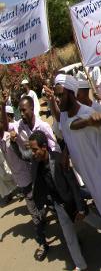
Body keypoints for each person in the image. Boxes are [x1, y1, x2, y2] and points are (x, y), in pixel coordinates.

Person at [51, 74, 101, 240]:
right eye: (56, 95)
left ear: (72, 94)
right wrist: (66, 152)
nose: (57, 99)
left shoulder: (90, 114)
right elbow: (67, 132)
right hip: (88, 175)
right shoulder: (66, 115)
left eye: (60, 95)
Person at [29, 130, 101, 271]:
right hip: (58, 206)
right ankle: (80, 265)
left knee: (91, 219)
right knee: (69, 238)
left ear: (44, 147)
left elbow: (73, 185)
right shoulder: (37, 164)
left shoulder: (60, 160)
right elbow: (25, 158)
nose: (33, 153)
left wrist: (79, 208)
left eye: (35, 149)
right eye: (32, 150)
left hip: (71, 203)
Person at [0, 102, 47, 261]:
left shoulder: (12, 131)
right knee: (38, 208)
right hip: (22, 182)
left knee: (37, 211)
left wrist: (2, 106)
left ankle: (42, 243)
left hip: (32, 176)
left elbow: (7, 126)